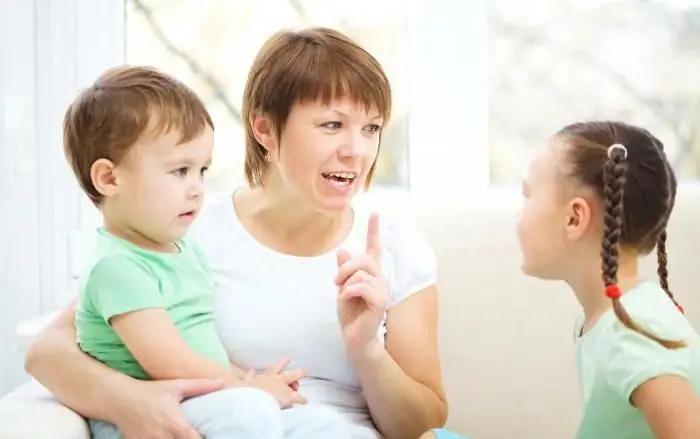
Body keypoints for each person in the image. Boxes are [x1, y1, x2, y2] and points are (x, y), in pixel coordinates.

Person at [25, 27, 448, 439]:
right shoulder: (185, 229)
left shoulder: (394, 248)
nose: (357, 150)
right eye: (332, 125)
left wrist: (366, 347)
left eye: (371, 128)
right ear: (264, 129)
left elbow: (420, 423)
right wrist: (130, 403)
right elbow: (48, 353)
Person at [61, 64, 349, 438]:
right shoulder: (117, 267)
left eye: (202, 170)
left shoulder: (182, 249)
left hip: (208, 401)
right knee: (250, 411)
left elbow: (202, 345)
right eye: (180, 171)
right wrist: (249, 388)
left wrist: (248, 377)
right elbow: (168, 362)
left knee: (324, 424)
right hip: (156, 415)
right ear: (110, 178)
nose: (197, 188)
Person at [514, 120, 700, 438]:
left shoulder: (631, 334)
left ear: (574, 218)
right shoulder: (616, 316)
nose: (518, 214)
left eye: (527, 195)